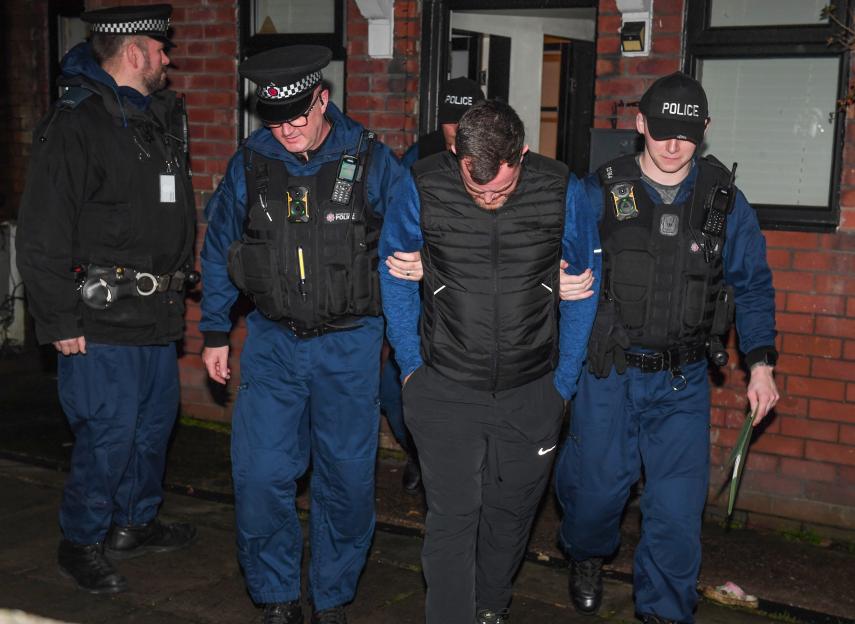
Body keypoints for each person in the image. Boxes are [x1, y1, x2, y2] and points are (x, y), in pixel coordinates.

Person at [199, 45, 417, 624]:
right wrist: (215, 330)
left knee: (345, 480)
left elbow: (410, 241)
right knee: (260, 473)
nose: (289, 131)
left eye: (298, 117)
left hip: (351, 343)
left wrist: (411, 342)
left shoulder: (371, 160)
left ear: (322, 99)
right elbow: (221, 247)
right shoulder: (250, 163)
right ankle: (275, 595)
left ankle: (332, 596)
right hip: (273, 341)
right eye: (276, 122)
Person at [554, 72, 779, 624]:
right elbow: (553, 256)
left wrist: (761, 364)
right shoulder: (598, 191)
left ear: (704, 129)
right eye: (661, 132)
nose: (673, 145)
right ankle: (586, 554)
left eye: (686, 134)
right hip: (609, 373)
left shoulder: (724, 201)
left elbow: (752, 285)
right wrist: (558, 279)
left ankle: (664, 613)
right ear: (640, 125)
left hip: (682, 380)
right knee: (596, 495)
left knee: (678, 512)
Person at [380, 99, 600, 624]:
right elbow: (393, 270)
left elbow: (584, 287)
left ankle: (490, 607)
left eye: (500, 190)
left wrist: (563, 384)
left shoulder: (561, 188)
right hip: (445, 385)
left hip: (532, 388)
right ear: (458, 156)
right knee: (452, 517)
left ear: (521, 155)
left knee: (510, 515)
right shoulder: (422, 183)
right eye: (476, 190)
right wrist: (411, 368)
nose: (488, 200)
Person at [16, 4, 197, 595]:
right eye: (161, 48)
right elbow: (41, 232)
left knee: (153, 428)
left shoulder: (154, 119)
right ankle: (81, 540)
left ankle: (134, 523)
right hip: (99, 320)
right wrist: (57, 319)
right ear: (134, 51)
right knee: (108, 435)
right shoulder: (77, 123)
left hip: (154, 316)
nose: (168, 59)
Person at [383, 76, 486, 493]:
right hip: (424, 299)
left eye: (465, 123)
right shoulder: (420, 157)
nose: (456, 133)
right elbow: (397, 225)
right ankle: (420, 454)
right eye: (450, 124)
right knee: (394, 388)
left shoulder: (495, 157)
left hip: (474, 302)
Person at [399, 76, 485, 168]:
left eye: (466, 122)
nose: (457, 128)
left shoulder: (491, 156)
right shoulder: (421, 153)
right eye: (451, 119)